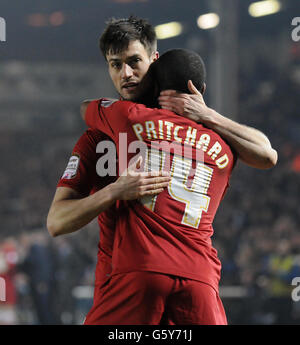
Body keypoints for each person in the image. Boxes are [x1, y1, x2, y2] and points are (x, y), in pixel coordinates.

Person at [47, 16, 277, 324]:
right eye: (115, 65)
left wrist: (206, 114)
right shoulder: (214, 140)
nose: (126, 74)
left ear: (155, 61)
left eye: (133, 62)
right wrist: (114, 191)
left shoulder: (119, 120)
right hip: (189, 279)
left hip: (136, 280)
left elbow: (86, 106)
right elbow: (57, 221)